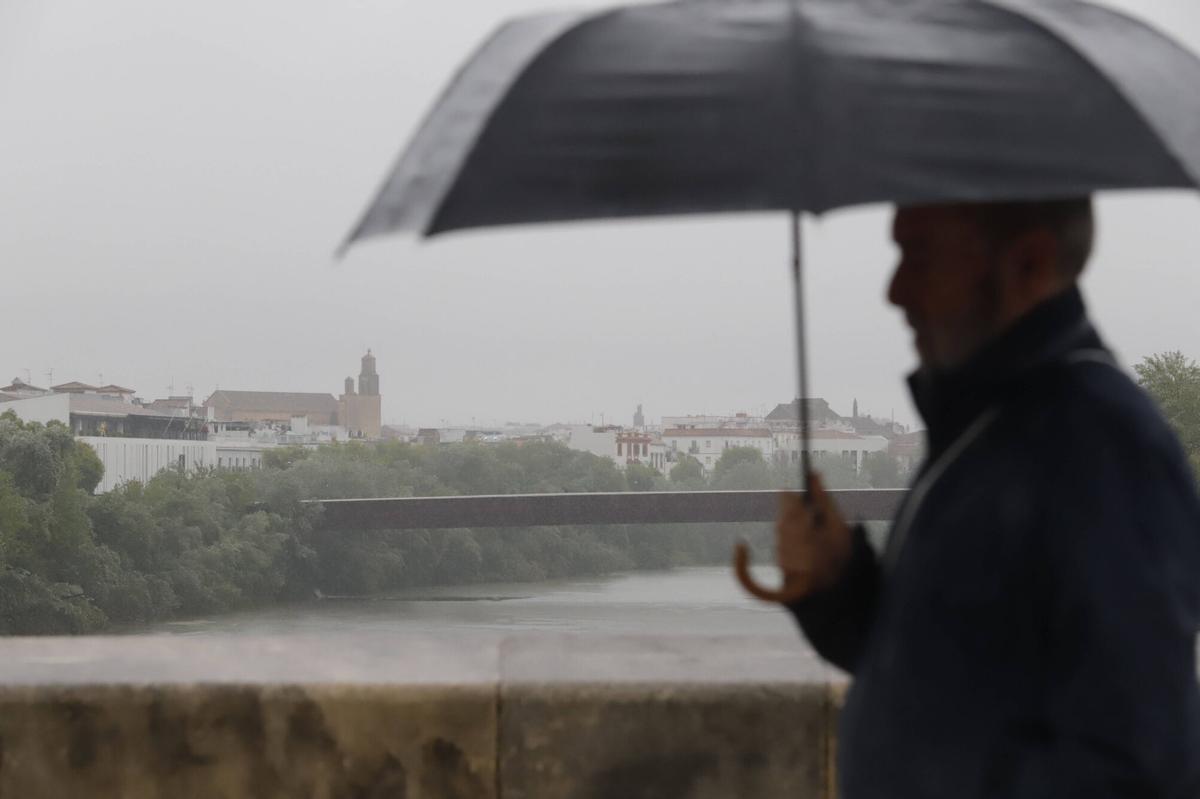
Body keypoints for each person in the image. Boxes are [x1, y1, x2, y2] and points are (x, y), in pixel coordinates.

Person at [741, 199, 1200, 797]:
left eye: (920, 255)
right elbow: (945, 675)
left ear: (1029, 264)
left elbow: (1134, 765)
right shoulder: (996, 428)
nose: (895, 292)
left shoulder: (1103, 449)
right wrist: (837, 586)